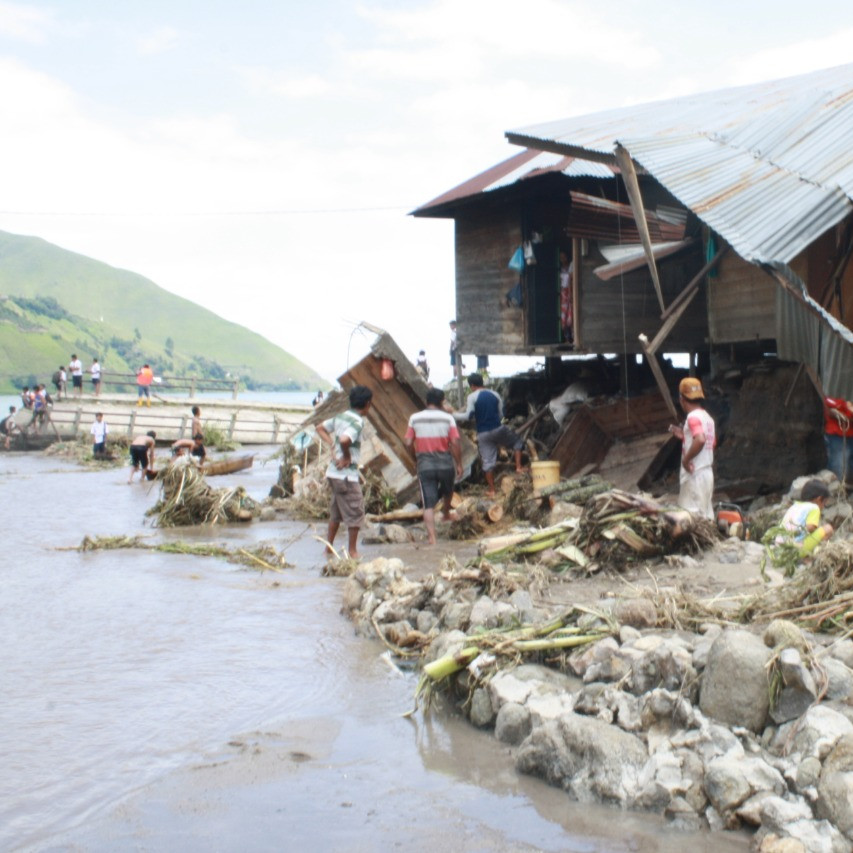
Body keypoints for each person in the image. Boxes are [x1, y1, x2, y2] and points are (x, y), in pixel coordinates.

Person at [315, 385, 373, 560]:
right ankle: (353, 551)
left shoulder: (341, 416)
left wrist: (331, 445)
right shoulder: (357, 422)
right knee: (356, 511)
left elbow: (320, 427)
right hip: (346, 474)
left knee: (337, 512)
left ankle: (328, 549)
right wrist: (346, 455)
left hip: (333, 474)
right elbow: (345, 439)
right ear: (368, 404)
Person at [404, 388, 462, 545]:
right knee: (448, 491)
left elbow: (408, 442)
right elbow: (455, 443)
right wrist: (459, 464)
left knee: (428, 504)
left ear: (426, 401)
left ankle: (432, 538)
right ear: (442, 402)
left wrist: (414, 457)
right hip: (445, 463)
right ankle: (446, 514)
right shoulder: (448, 418)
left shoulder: (414, 418)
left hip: (425, 464)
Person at [457, 372, 525, 497]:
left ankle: (492, 490)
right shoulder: (495, 394)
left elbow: (468, 416)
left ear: (472, 385)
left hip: (483, 433)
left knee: (488, 463)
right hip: (498, 429)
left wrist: (453, 414)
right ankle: (519, 467)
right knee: (517, 442)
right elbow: (501, 414)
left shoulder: (472, 397)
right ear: (482, 382)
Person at [668, 377, 716, 519]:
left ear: (681, 398)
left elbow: (700, 439)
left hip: (695, 475)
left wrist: (685, 460)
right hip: (707, 473)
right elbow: (710, 443)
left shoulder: (692, 418)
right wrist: (684, 436)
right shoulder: (708, 418)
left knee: (691, 518)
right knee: (706, 516)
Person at [777, 479, 834, 558]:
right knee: (828, 529)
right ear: (819, 499)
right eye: (824, 503)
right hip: (793, 550)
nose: (823, 507)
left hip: (779, 547)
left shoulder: (795, 506)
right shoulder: (814, 508)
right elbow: (810, 527)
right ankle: (812, 557)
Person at [823, 396, 853, 485]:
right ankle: (836, 492)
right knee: (839, 467)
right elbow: (830, 410)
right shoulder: (833, 395)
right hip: (838, 435)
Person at [560, 251, 574, 344]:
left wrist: (571, 293)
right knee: (563, 316)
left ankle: (572, 337)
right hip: (562, 293)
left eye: (564, 256)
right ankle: (566, 338)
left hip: (569, 292)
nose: (562, 259)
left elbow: (571, 280)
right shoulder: (560, 269)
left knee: (570, 315)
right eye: (561, 257)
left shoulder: (571, 267)